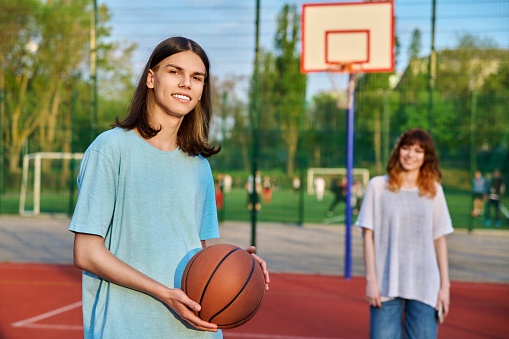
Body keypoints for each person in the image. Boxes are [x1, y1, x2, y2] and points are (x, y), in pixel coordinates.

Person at [69, 36, 270, 339]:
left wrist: (236, 265)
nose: (186, 83)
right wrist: (164, 292)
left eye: (196, 77)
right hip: (127, 327)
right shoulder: (110, 149)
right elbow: (86, 253)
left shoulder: (198, 165)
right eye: (175, 72)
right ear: (151, 78)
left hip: (194, 329)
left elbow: (199, 252)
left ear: (202, 90)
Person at [355, 128, 453, 339]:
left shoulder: (434, 191)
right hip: (385, 285)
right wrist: (371, 280)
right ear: (398, 150)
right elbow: (368, 236)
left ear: (426, 156)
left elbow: (439, 239)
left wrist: (445, 286)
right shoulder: (378, 186)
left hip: (425, 285)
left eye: (418, 150)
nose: (410, 154)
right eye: (406, 148)